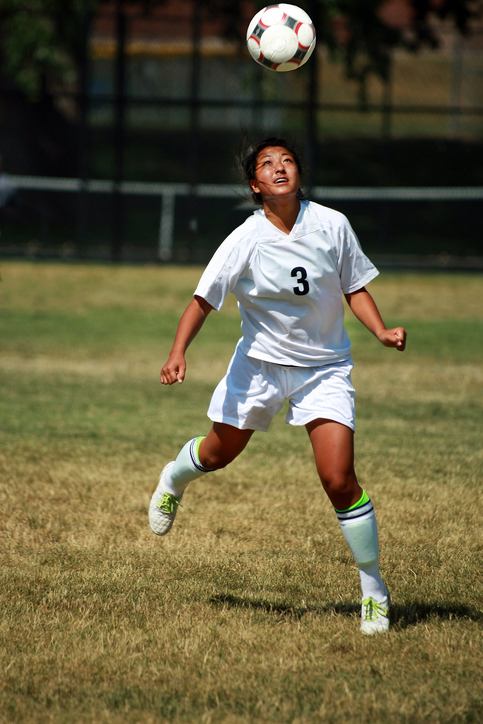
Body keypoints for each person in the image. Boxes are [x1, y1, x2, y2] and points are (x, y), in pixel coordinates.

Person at [150, 137, 406, 635]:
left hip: (324, 368)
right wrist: (177, 353)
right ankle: (174, 479)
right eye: (268, 164)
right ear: (255, 186)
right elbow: (202, 300)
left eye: (287, 160)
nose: (280, 167)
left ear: (299, 174)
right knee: (217, 454)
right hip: (260, 367)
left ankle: (374, 591)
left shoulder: (333, 225)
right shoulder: (245, 239)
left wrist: (379, 330)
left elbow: (355, 286)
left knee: (339, 479)